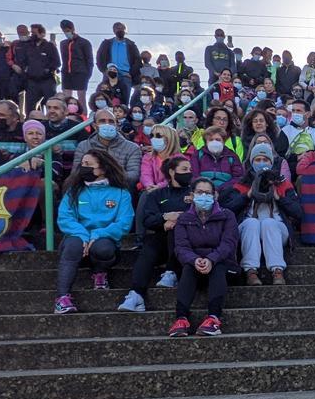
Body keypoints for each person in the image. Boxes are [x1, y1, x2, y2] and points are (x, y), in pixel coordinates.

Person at [53, 149, 134, 313]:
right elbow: (64, 217)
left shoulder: (120, 193)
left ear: (103, 168)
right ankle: (62, 298)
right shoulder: (74, 191)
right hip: (77, 241)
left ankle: (99, 272)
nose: (84, 168)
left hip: (103, 243)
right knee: (73, 246)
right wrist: (83, 235)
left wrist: (97, 235)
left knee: (103, 248)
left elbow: (124, 222)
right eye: (82, 164)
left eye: (88, 165)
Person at [167, 176, 241, 337]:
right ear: (192, 195)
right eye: (200, 192)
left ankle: (214, 318)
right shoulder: (184, 219)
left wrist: (211, 259)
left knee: (218, 267)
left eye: (208, 193)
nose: (204, 196)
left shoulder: (227, 215)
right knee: (187, 268)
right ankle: (181, 318)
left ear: (215, 196)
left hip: (222, 263)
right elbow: (181, 247)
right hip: (194, 264)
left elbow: (228, 243)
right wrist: (194, 260)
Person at [119, 155, 194, 312]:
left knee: (176, 229)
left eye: (190, 169)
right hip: (161, 237)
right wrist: (165, 217)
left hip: (189, 241)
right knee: (148, 249)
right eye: (184, 169)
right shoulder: (157, 194)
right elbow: (148, 220)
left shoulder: (195, 192)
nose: (189, 172)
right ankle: (136, 294)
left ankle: (171, 271)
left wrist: (177, 218)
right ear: (172, 172)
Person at [223, 144, 302, 286]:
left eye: (265, 159)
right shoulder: (242, 183)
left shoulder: (282, 183)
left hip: (276, 227)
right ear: (251, 162)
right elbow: (228, 209)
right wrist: (246, 195)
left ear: (271, 162)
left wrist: (279, 198)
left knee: (268, 223)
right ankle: (251, 271)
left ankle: (277, 270)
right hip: (248, 228)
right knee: (252, 223)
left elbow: (298, 212)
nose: (261, 163)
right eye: (257, 159)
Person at [73, 109, 142, 189]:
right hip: (89, 191)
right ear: (95, 126)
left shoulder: (132, 148)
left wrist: (104, 178)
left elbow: (133, 175)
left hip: (120, 191)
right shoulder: (83, 146)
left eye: (111, 121)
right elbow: (76, 173)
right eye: (102, 121)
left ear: (116, 125)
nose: (107, 124)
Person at [95, 22, 143, 105]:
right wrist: (104, 70)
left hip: (125, 75)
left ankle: (123, 115)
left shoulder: (131, 44)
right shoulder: (106, 43)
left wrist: (131, 73)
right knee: (105, 97)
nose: (120, 30)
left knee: (124, 100)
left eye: (122, 28)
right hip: (109, 74)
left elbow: (138, 60)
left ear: (125, 31)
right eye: (118, 28)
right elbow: (99, 57)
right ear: (114, 30)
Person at [58, 19, 94, 104]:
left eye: (68, 30)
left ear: (73, 29)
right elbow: (63, 58)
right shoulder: (63, 43)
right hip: (66, 72)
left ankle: (83, 116)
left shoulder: (84, 42)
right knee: (66, 98)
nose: (67, 33)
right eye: (64, 31)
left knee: (81, 97)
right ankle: (67, 114)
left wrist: (87, 75)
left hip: (80, 72)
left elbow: (89, 60)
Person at [140, 124, 182, 190]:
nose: (154, 138)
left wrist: (159, 186)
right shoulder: (147, 157)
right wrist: (149, 185)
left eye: (158, 136)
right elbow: (145, 174)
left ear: (169, 138)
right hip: (151, 190)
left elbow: (175, 177)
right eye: (151, 135)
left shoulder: (179, 159)